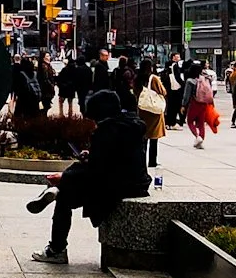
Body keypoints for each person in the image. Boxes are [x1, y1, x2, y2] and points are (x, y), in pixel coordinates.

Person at [28, 88, 149, 264]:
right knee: (75, 173)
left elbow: (98, 171)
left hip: (119, 185)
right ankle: (57, 188)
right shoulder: (131, 125)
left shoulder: (107, 132)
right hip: (137, 181)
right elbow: (110, 161)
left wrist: (67, 176)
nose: (94, 123)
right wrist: (90, 156)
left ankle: (56, 249)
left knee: (65, 197)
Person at [135, 60, 166, 168]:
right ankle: (152, 161)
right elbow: (163, 91)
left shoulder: (137, 78)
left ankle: (141, 160)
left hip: (142, 109)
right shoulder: (153, 78)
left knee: (143, 137)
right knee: (154, 137)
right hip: (154, 110)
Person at [184, 59, 217, 148]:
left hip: (194, 102)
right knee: (201, 123)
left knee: (190, 121)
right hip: (204, 103)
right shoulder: (206, 79)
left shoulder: (190, 81)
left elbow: (187, 95)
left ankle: (197, 136)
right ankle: (201, 139)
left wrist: (183, 105)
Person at [163, 47, 186, 128]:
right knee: (175, 106)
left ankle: (168, 123)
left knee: (169, 106)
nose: (179, 58)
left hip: (169, 88)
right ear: (173, 57)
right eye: (177, 57)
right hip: (174, 88)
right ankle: (172, 122)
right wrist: (183, 84)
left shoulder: (168, 65)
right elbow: (177, 77)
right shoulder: (174, 65)